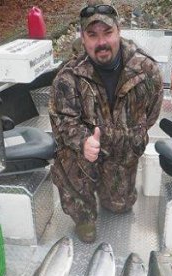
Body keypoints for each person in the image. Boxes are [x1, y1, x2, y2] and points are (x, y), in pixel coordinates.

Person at [49, 0, 163, 243]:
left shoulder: (146, 70)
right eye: (92, 35)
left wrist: (128, 137)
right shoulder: (68, 76)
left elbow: (151, 114)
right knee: (66, 154)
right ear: (83, 38)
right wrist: (83, 142)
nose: (101, 42)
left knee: (119, 207)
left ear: (119, 31)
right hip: (87, 154)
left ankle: (112, 192)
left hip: (122, 154)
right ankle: (84, 216)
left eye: (107, 32)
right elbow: (61, 120)